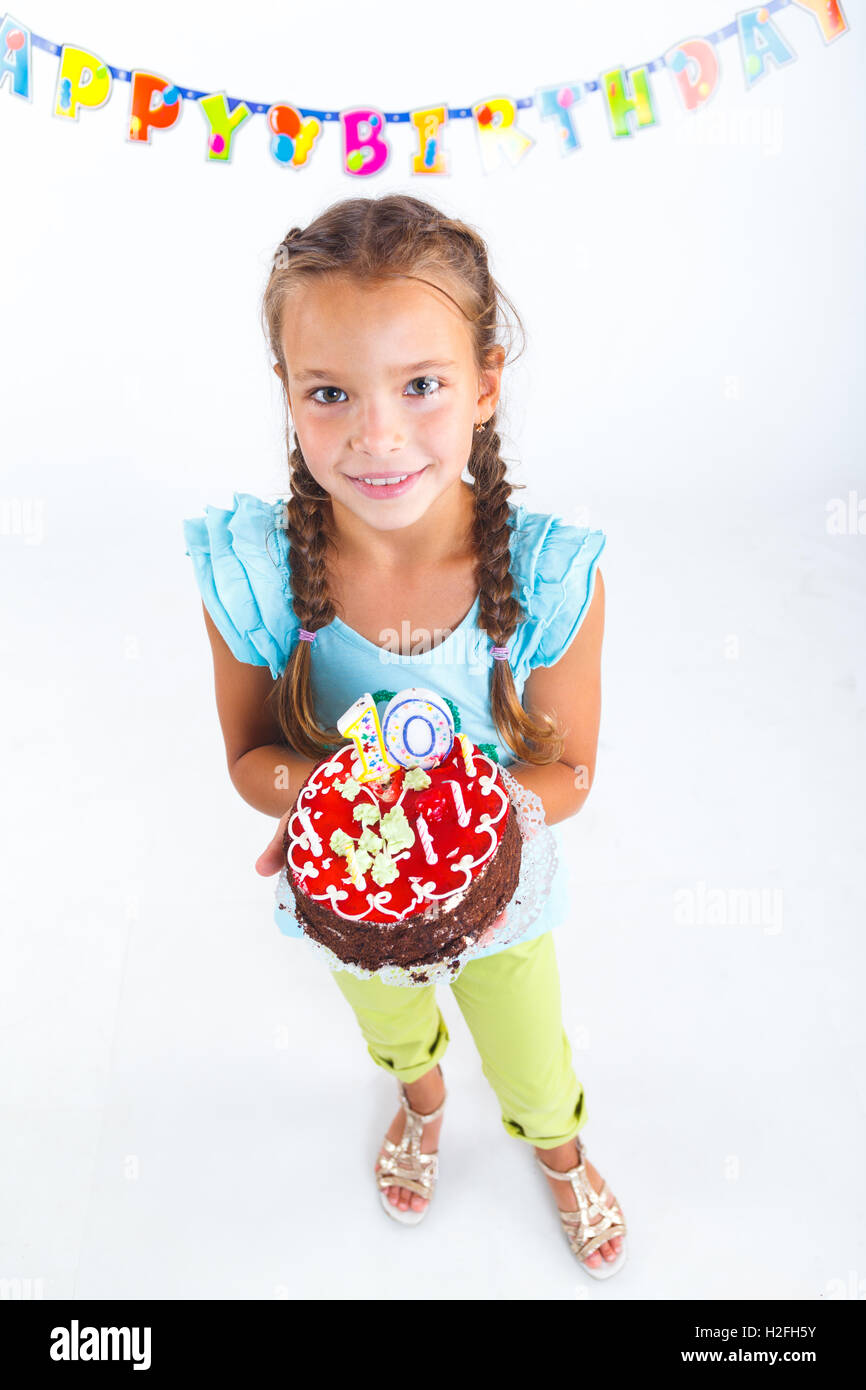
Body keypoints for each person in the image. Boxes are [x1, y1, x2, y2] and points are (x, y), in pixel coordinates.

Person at [182, 194, 626, 1278]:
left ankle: (557, 1149)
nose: (375, 434)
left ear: (483, 383)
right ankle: (420, 1101)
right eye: (329, 392)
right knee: (390, 1026)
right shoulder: (253, 572)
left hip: (503, 893)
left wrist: (459, 824)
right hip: (350, 901)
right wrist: (335, 806)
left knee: (528, 1050)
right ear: (286, 394)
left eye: (419, 385)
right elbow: (251, 761)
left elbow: (567, 769)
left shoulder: (552, 573)